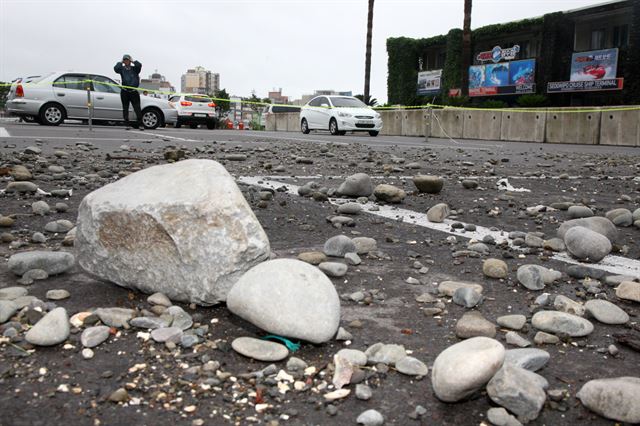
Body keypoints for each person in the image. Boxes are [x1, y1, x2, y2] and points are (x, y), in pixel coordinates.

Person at [114, 54, 143, 130]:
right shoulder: (122, 69)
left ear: (130, 61)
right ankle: (127, 124)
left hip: (133, 91)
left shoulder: (135, 69)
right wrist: (121, 62)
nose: (126, 61)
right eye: (125, 60)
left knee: (137, 108)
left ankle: (140, 124)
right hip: (125, 91)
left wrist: (133, 61)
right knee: (125, 108)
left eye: (127, 60)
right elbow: (116, 68)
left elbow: (139, 65)